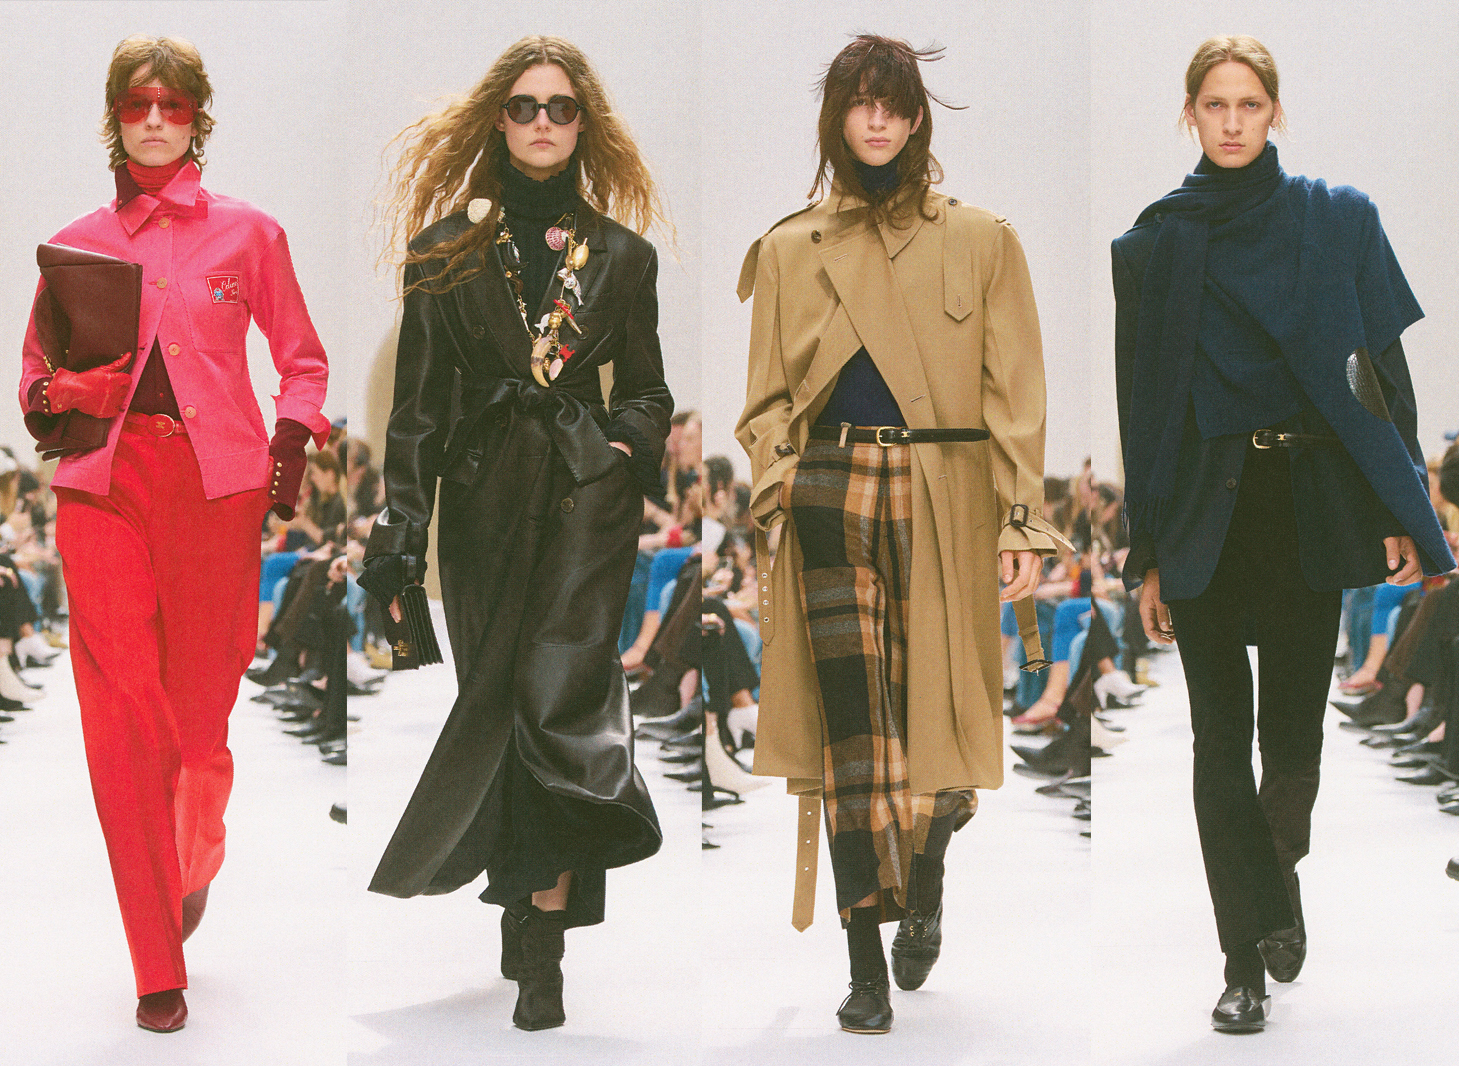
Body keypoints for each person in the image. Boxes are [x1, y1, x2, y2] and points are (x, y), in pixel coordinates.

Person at [1112, 35, 1454, 1034]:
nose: (1230, 122)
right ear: (1188, 114)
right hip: (1206, 508)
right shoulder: (1154, 244)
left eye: (1248, 104)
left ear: (1274, 113)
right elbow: (1146, 412)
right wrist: (1146, 551)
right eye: (1213, 104)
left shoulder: (1335, 221)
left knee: (1292, 742)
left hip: (1306, 503)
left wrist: (1401, 510)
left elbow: (1381, 379)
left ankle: (1275, 883)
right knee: (1217, 740)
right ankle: (1240, 961)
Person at [736, 35, 1063, 1035]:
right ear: (835, 119)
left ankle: (925, 875)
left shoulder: (981, 240)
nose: (875, 120)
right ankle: (863, 962)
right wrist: (781, 484)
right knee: (854, 730)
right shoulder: (790, 250)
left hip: (947, 488)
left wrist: (1018, 517)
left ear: (917, 118)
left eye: (891, 104)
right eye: (858, 103)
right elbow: (764, 402)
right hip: (832, 486)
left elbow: (1015, 393)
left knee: (941, 716)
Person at [358, 35, 673, 1032]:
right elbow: (416, 410)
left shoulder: (622, 257)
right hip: (484, 503)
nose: (543, 122)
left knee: (557, 708)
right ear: (499, 119)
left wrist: (621, 451)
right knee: (499, 701)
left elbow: (649, 390)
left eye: (561, 108)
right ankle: (521, 887)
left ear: (584, 126)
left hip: (583, 502)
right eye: (527, 106)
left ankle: (543, 949)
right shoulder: (443, 251)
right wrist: (400, 529)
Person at [17, 35, 330, 1033]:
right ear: (115, 117)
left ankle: (192, 857)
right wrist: (77, 390)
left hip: (215, 493)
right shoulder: (73, 247)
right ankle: (156, 958)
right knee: (124, 720)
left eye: (175, 104)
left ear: (198, 118)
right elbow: (34, 382)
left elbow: (303, 359)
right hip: (103, 489)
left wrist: (292, 437)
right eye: (137, 103)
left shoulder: (252, 234)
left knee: (198, 733)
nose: (155, 119)